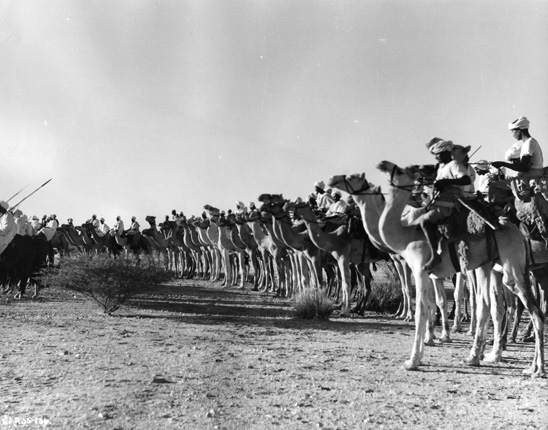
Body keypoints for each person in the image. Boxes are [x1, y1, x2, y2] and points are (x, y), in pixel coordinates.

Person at [415, 138, 471, 271]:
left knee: (425, 222)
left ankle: (435, 256)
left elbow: (466, 179)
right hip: (439, 202)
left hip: (448, 204)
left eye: (437, 154)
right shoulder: (441, 167)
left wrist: (445, 182)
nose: (436, 157)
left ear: (445, 152)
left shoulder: (454, 164)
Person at [489, 116, 544, 203]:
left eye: (513, 131)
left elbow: (523, 167)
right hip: (532, 175)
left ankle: (499, 212)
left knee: (494, 186)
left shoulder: (529, 143)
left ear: (519, 130)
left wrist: (503, 164)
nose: (513, 134)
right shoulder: (530, 142)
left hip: (529, 177)